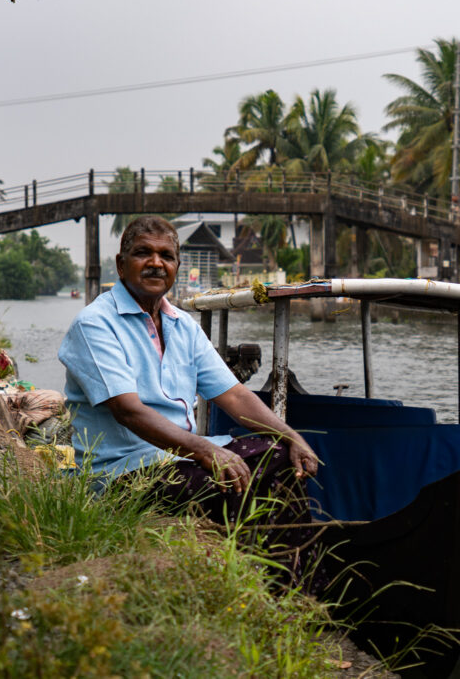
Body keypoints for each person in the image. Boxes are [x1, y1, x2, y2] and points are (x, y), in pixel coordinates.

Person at [58, 216, 322, 579]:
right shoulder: (95, 324)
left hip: (177, 461)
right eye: (143, 253)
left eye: (166, 255)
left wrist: (291, 436)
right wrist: (204, 449)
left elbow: (235, 395)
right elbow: (128, 411)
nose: (155, 263)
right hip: (123, 475)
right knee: (235, 478)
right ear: (121, 265)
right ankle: (259, 580)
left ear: (177, 267)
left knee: (279, 456)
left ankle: (292, 583)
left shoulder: (184, 326)